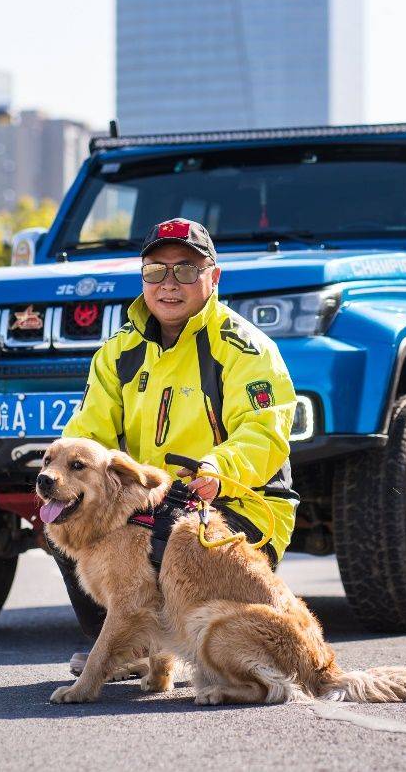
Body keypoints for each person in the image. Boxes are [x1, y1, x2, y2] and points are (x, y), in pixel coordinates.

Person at [61, 217, 299, 567]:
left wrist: (216, 471)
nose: (169, 284)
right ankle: (121, 624)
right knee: (68, 532)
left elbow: (263, 434)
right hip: (149, 503)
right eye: (156, 271)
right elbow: (87, 436)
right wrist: (65, 480)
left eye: (186, 270)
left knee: (165, 541)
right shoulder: (116, 352)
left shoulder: (247, 350)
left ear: (213, 277)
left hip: (238, 506)